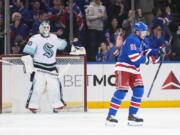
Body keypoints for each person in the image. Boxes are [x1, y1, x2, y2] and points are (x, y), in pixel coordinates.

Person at [105, 22, 164, 126]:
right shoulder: (132, 39)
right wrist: (150, 60)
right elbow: (135, 57)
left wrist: (159, 51)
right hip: (124, 67)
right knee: (121, 91)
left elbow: (146, 51)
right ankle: (110, 116)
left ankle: (132, 116)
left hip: (134, 69)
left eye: (145, 31)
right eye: (143, 31)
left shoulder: (142, 40)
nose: (145, 33)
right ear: (136, 31)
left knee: (139, 90)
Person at [22, 21, 67, 113]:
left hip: (52, 67)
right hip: (39, 67)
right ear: (40, 28)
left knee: (55, 87)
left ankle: (57, 105)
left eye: (47, 27)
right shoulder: (34, 38)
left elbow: (63, 45)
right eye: (44, 27)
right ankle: (32, 105)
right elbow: (27, 52)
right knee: (37, 87)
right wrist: (28, 65)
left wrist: (72, 45)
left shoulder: (54, 37)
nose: (45, 29)